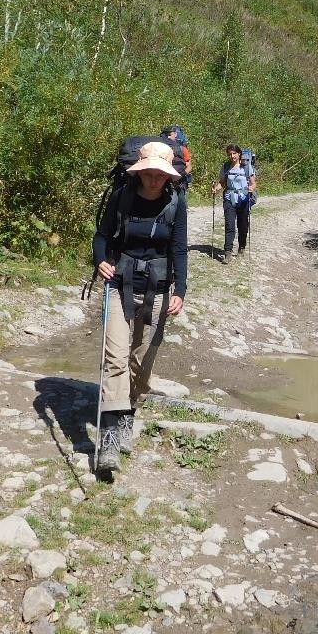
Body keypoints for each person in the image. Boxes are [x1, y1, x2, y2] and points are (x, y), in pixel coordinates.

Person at [92, 141, 188, 475]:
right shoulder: (122, 197)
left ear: (168, 175)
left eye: (160, 174)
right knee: (115, 357)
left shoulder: (177, 203)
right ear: (140, 170)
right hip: (121, 283)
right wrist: (101, 259)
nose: (153, 179)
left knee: (140, 360)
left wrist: (182, 289)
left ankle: (130, 411)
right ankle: (110, 436)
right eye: (149, 172)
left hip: (158, 289)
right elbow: (102, 235)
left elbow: (179, 250)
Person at [212, 144, 256, 264]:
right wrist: (216, 188)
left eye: (234, 153)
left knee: (242, 226)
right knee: (229, 225)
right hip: (229, 198)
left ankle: (242, 246)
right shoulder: (226, 167)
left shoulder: (247, 167)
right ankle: (228, 252)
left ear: (239, 154)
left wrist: (251, 188)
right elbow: (222, 182)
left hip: (243, 199)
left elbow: (253, 183)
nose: (232, 156)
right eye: (230, 154)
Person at [161, 125, 193, 189]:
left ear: (175, 135)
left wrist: (179, 177)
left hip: (179, 183)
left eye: (170, 134)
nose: (168, 137)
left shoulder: (182, 149)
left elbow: (189, 167)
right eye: (166, 135)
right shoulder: (161, 147)